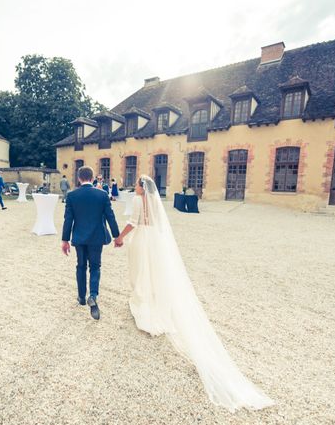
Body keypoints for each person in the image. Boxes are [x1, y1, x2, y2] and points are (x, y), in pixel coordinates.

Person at [113, 175, 274, 412]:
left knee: (141, 271)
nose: (134, 188)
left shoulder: (138, 201)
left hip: (142, 240)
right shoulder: (156, 203)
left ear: (141, 188)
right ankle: (155, 300)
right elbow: (159, 225)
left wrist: (119, 237)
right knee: (154, 272)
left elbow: (134, 223)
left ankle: (144, 302)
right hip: (155, 241)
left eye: (136, 185)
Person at [61, 166, 121, 320]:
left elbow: (68, 220)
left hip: (80, 238)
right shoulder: (102, 195)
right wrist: (117, 236)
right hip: (96, 237)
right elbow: (110, 217)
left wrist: (65, 240)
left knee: (81, 266)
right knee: (95, 267)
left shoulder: (72, 195)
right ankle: (93, 295)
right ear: (93, 177)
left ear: (79, 178)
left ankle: (81, 297)